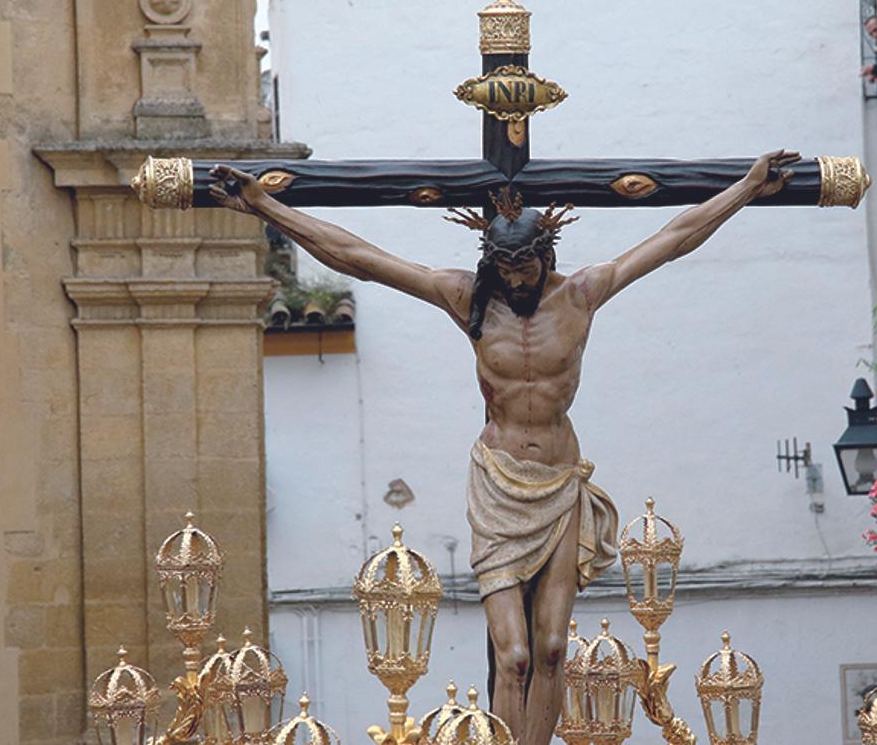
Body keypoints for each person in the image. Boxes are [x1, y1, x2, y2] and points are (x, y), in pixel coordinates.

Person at [207, 149, 798, 745]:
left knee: (553, 646)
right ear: (491, 261)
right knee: (512, 655)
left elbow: (673, 237)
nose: (517, 282)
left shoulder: (581, 295)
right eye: (507, 270)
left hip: (561, 481)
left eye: (527, 269)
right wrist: (265, 206)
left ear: (547, 256)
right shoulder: (467, 298)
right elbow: (360, 259)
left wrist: (747, 187)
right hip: (498, 482)